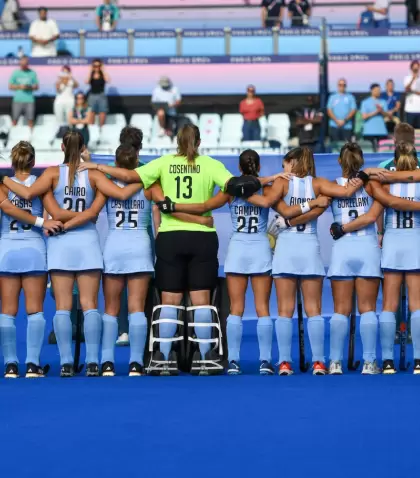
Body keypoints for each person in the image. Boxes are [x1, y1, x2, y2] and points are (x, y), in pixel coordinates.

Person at [77, 124, 272, 376]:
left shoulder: (163, 163)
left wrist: (97, 166)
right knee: (201, 300)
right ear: (199, 142)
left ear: (176, 141)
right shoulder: (210, 164)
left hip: (170, 236)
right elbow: (235, 187)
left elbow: (127, 177)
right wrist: (202, 208)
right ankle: (204, 358)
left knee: (170, 300)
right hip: (202, 237)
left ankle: (164, 358)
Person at [155, 150, 304, 375]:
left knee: (236, 309)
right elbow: (283, 211)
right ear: (259, 167)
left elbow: (204, 205)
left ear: (239, 167)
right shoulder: (268, 189)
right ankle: (265, 361)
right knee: (262, 308)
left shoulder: (230, 192)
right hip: (260, 248)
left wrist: (175, 207)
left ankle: (233, 361)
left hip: (237, 250)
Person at [2, 131, 135, 378]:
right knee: (90, 305)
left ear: (61, 146)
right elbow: (117, 196)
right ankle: (94, 362)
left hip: (59, 242)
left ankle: (64, 363)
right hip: (87, 242)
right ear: (84, 147)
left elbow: (36, 200)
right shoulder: (95, 175)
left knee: (62, 307)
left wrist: (6, 181)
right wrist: (88, 214)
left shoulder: (51, 174)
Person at [243, 147, 377, 375]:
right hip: (309, 248)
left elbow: (280, 209)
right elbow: (346, 192)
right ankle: (319, 362)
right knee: (314, 309)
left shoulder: (281, 184)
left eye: (286, 162)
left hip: (286, 248)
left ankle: (284, 362)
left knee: (285, 310)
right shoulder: (319, 184)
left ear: (291, 162)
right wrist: (365, 173)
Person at [99, 144, 215, 376]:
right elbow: (165, 210)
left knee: (111, 309)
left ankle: (106, 362)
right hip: (140, 246)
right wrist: (197, 223)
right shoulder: (150, 185)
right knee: (136, 308)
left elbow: (91, 212)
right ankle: (136, 363)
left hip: (114, 245)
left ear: (116, 163)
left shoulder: (105, 185)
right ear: (138, 163)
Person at [0, 142, 63, 378]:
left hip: (7, 250)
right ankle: (32, 364)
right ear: (33, 162)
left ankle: (10, 365)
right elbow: (54, 213)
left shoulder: (3, 187)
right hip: (34, 250)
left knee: (7, 311)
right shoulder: (40, 185)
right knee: (35, 311)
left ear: (12, 162)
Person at [326, 144, 383, 375]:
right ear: (361, 162)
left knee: (340, 309)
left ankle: (335, 362)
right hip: (367, 247)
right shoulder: (372, 186)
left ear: (340, 162)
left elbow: (317, 207)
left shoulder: (330, 187)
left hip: (342, 249)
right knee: (368, 308)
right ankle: (369, 363)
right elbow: (372, 216)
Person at [369, 143, 420, 374]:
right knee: (416, 305)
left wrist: (380, 234)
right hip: (415, 240)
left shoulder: (384, 183)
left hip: (392, 240)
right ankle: (419, 360)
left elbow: (378, 213)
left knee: (389, 304)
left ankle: (388, 360)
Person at [9, 55, 38, 129]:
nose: (23, 66)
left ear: (27, 63)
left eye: (25, 64)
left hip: (29, 100)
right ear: (20, 63)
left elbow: (36, 86)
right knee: (15, 120)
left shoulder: (32, 73)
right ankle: (13, 135)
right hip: (17, 100)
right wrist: (20, 86)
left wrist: (29, 87)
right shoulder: (15, 73)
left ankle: (30, 137)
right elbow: (10, 86)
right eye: (22, 64)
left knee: (30, 120)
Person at [361, 83, 390, 150]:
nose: (379, 92)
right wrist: (376, 112)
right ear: (372, 90)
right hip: (369, 132)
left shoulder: (383, 102)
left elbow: (387, 115)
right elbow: (364, 116)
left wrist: (381, 111)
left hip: (382, 131)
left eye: (379, 90)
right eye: (377, 90)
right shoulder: (365, 102)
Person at [86, 59, 109, 128]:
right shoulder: (91, 74)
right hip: (92, 95)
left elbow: (108, 80)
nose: (97, 67)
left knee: (102, 112)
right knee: (91, 113)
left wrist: (103, 70)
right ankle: (92, 132)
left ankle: (102, 130)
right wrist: (90, 70)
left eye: (98, 65)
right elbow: (87, 81)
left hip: (101, 95)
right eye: (95, 66)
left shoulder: (103, 74)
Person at [404, 60, 420, 130]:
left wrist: (412, 91)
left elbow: (410, 90)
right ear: (411, 69)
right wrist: (413, 79)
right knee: (410, 131)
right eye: (414, 68)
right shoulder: (407, 78)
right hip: (410, 110)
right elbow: (407, 89)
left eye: (417, 68)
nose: (416, 70)